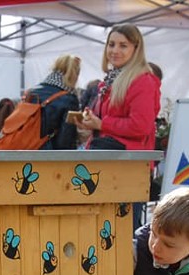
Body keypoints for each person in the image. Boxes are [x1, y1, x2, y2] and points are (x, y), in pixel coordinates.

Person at [77, 24, 160, 230]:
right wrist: (90, 122)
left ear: (136, 48)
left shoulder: (143, 81)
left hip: (127, 167)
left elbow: (140, 125)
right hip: (107, 163)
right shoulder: (110, 80)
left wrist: (101, 123)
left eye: (123, 45)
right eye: (111, 44)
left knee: (122, 232)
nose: (115, 50)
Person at [23, 54, 81, 150]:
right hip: (48, 158)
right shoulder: (69, 99)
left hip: (23, 151)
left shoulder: (31, 93)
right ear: (74, 75)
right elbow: (65, 141)